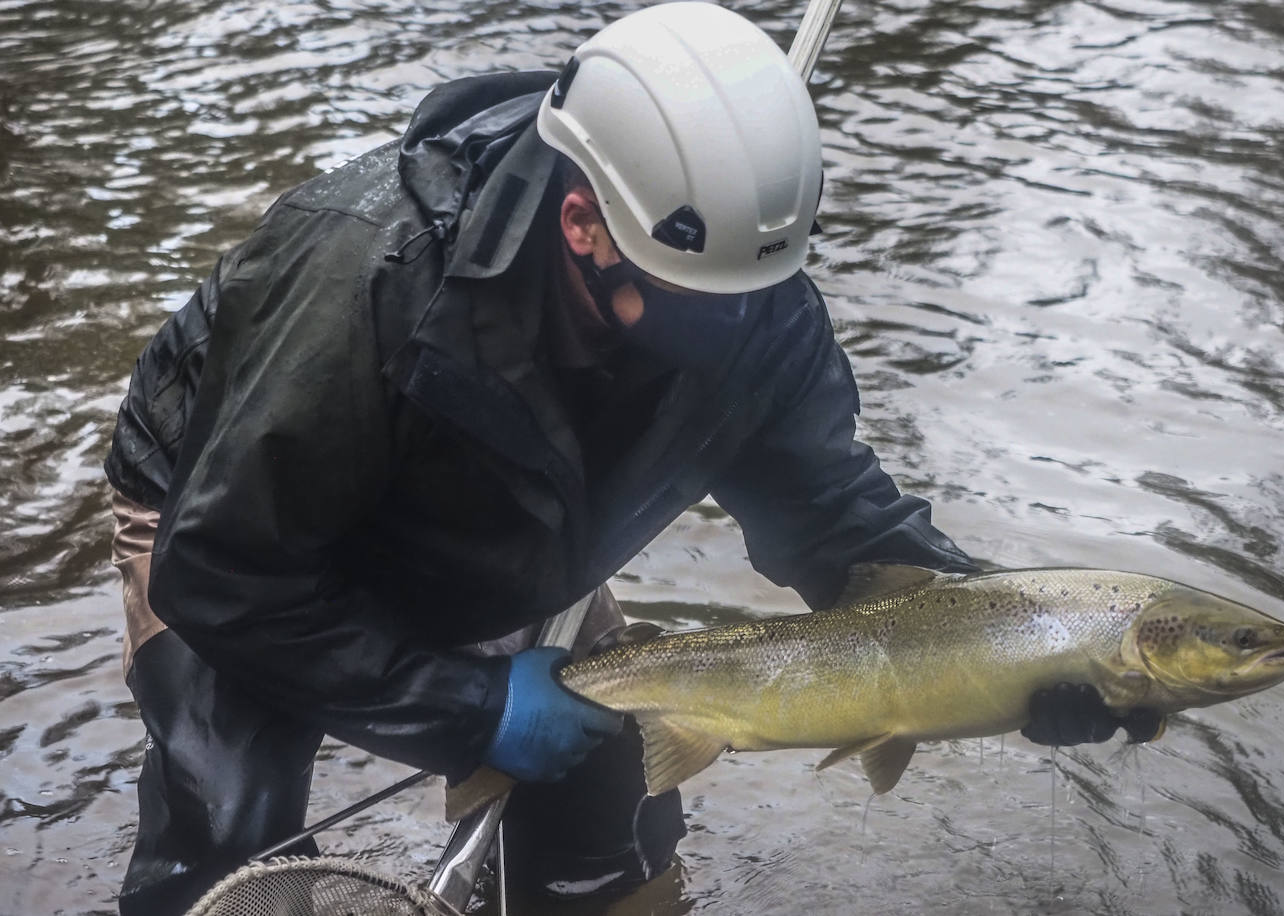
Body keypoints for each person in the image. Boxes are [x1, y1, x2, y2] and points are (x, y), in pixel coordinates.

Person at [104, 4, 1159, 913]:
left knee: (609, 825)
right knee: (228, 827)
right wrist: (474, 709)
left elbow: (843, 527)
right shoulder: (369, 283)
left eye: (752, 304)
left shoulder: (753, 311)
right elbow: (224, 572)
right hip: (238, 525)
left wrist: (1032, 650)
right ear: (582, 223)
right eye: (693, 312)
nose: (726, 338)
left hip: (512, 526)